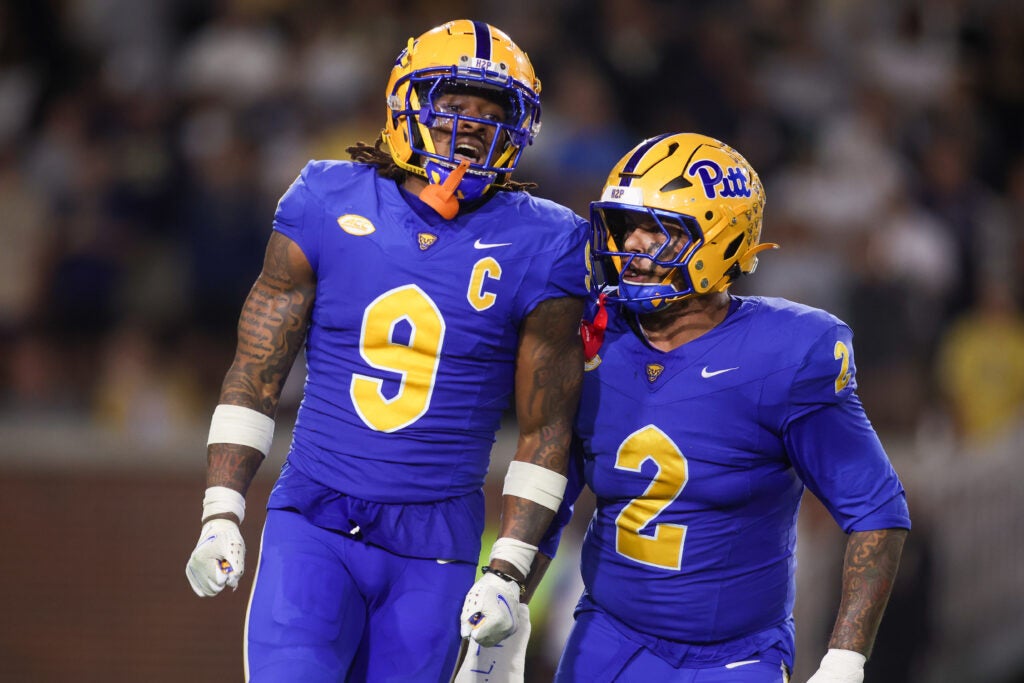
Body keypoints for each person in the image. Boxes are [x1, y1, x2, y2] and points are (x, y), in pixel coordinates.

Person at [183, 19, 588, 681]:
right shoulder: (324, 198)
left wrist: (509, 569)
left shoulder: (546, 242)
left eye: (493, 114)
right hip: (314, 519)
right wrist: (221, 509)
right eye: (455, 105)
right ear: (408, 105)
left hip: (435, 543)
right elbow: (256, 367)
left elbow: (548, 428)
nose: (473, 126)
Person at [540, 132, 909, 682]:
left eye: (659, 229)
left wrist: (844, 660)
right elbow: (549, 479)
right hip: (607, 638)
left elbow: (876, 511)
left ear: (720, 241)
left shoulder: (787, 352)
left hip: (733, 658)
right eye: (626, 225)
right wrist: (507, 585)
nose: (633, 243)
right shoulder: (592, 331)